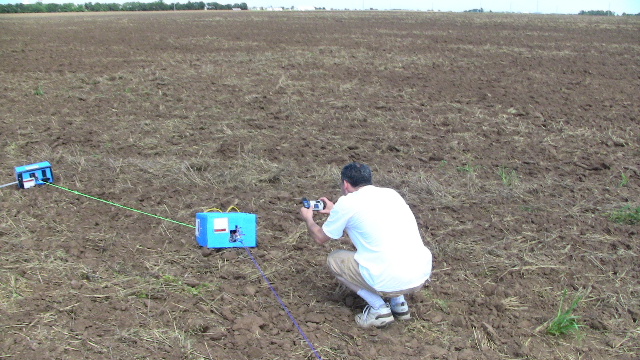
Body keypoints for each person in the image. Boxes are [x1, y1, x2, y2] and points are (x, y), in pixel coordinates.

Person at [300, 162, 433, 328]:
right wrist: (335, 210)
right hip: (419, 275)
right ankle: (399, 305)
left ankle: (379, 309)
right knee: (388, 243)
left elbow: (320, 238)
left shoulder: (347, 203)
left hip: (389, 279)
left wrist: (308, 219)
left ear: (346, 184)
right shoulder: (391, 194)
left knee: (335, 260)